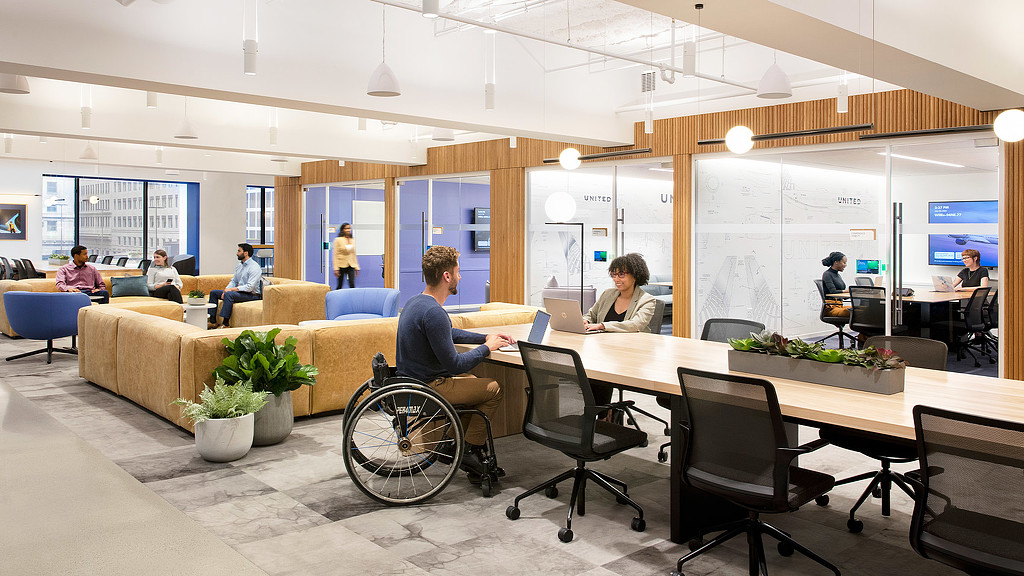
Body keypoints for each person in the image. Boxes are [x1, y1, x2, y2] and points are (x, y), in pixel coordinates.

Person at [396, 245, 514, 484]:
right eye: (458, 272)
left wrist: (486, 337)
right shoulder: (434, 313)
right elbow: (455, 364)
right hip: (430, 386)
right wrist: (487, 348)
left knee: (473, 383)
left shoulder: (416, 303)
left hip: (412, 380)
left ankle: (453, 445)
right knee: (493, 389)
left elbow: (449, 333)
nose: (460, 276)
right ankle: (468, 450)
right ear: (446, 276)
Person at [582, 253, 658, 413]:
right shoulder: (608, 295)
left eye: (622, 274)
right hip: (603, 350)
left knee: (599, 369)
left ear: (635, 275)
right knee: (589, 368)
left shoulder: (647, 300)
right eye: (614, 274)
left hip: (631, 355)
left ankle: (603, 413)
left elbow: (636, 324)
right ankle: (600, 412)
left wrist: (602, 326)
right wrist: (586, 321)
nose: (617, 279)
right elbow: (591, 314)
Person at [208, 243, 262, 328]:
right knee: (214, 293)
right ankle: (212, 321)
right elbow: (234, 281)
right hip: (240, 292)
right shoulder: (239, 266)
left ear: (246, 253)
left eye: (239, 251)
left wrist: (231, 290)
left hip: (252, 295)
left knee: (229, 295)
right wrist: (226, 289)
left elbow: (249, 287)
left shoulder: (254, 267)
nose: (237, 253)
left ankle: (225, 324)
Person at [820, 251, 850, 318]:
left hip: (839, 306)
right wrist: (848, 291)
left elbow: (843, 296)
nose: (845, 265)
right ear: (836, 262)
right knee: (857, 312)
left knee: (862, 309)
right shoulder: (827, 274)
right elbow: (833, 292)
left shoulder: (837, 275)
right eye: (844, 262)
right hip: (831, 308)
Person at [333, 223, 359, 289]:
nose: (348, 230)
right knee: (340, 284)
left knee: (352, 284)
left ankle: (353, 298)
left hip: (351, 264)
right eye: (346, 228)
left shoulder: (352, 240)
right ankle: (336, 297)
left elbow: (353, 254)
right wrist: (336, 268)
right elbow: (335, 254)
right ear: (342, 230)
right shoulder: (338, 240)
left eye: (349, 228)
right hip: (341, 264)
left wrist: (356, 267)